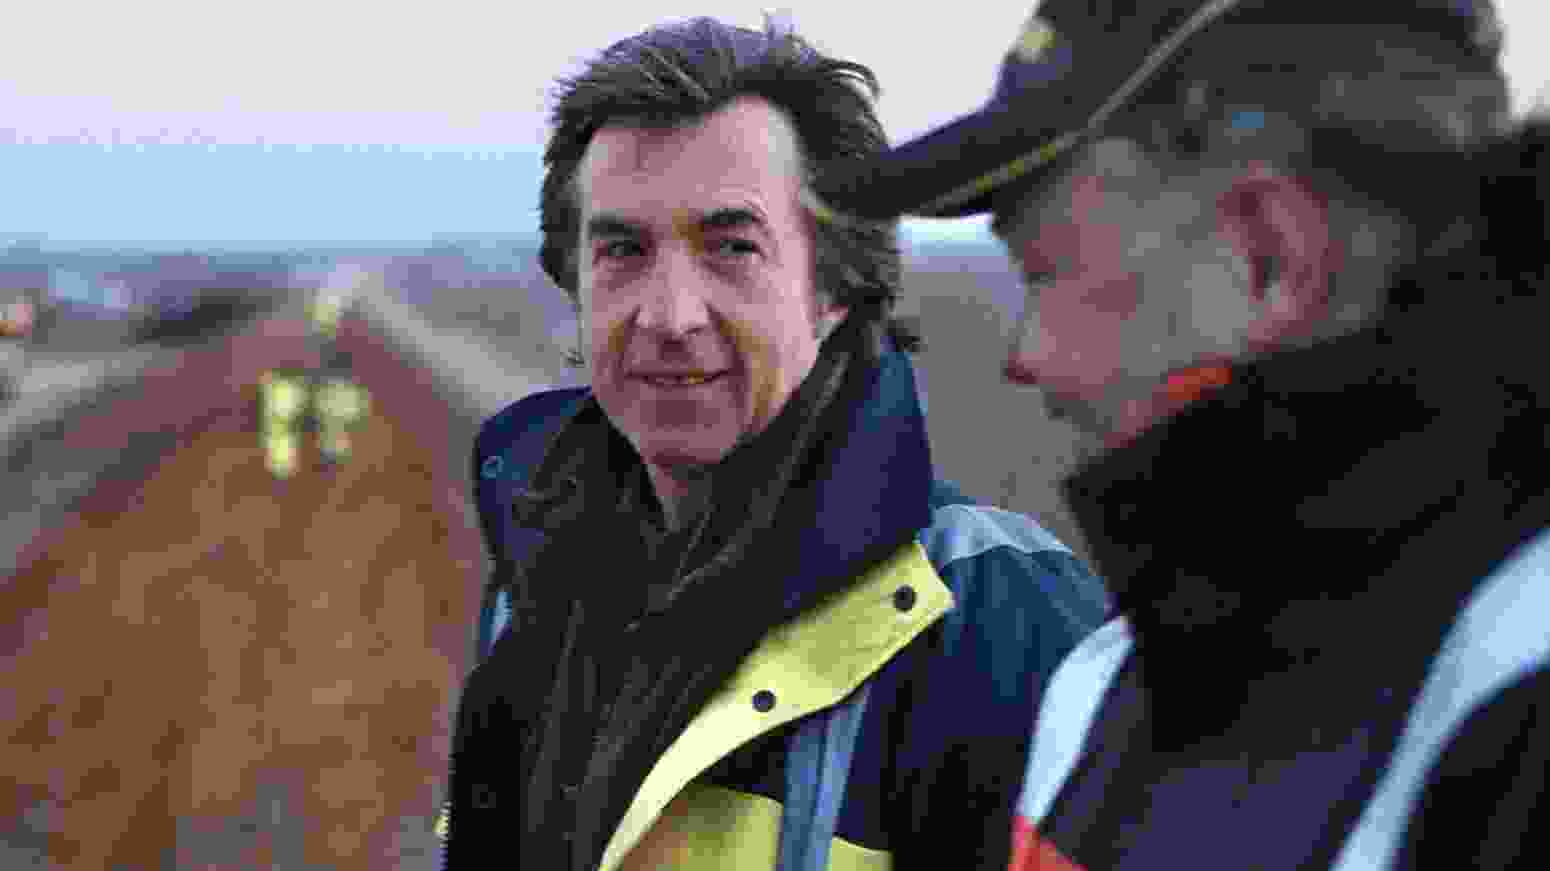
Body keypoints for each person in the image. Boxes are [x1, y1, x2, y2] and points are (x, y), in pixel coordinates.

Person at [807, 0, 1548, 868]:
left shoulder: (1518, 698)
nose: (1024, 358)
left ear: (1269, 259)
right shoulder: (1111, 682)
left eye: (1045, 274)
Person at [438, 16, 1107, 871]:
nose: (669, 315)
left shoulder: (1002, 623)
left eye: (732, 247)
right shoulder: (538, 578)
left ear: (836, 285)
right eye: (622, 250)